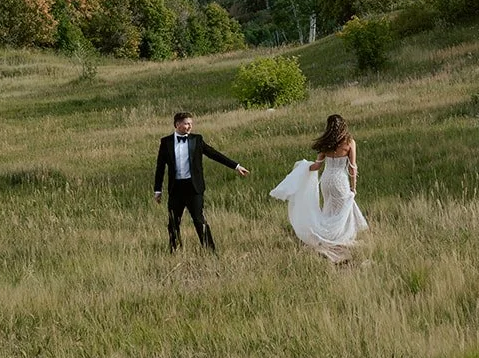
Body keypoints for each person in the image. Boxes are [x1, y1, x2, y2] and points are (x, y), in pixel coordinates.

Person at [268, 113, 368, 262]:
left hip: (326, 180)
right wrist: (354, 187)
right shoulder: (349, 142)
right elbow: (353, 167)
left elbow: (316, 166)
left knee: (329, 208)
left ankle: (328, 237)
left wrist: (302, 169)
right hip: (340, 180)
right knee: (343, 209)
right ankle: (338, 239)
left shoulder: (326, 144)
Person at [153, 111, 249, 252]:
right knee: (173, 222)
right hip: (176, 189)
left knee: (199, 220)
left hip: (194, 188)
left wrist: (236, 166)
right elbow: (160, 167)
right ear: (177, 124)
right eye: (186, 123)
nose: (189, 126)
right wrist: (158, 190)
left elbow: (214, 154)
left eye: (191, 124)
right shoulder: (166, 142)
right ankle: (174, 250)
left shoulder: (196, 140)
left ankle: (210, 250)